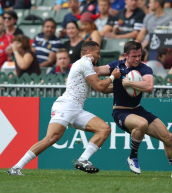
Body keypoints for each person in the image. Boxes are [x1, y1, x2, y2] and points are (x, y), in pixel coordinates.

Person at [7, 40, 121, 176]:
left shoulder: (86, 64)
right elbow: (100, 87)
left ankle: (83, 160)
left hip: (76, 109)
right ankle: (16, 167)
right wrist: (113, 77)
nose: (99, 56)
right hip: (67, 106)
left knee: (104, 129)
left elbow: (102, 88)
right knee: (51, 138)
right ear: (89, 52)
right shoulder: (85, 63)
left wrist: (122, 88)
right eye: (98, 53)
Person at [94, 40, 172, 178]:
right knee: (141, 124)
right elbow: (97, 70)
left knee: (168, 137)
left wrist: (129, 83)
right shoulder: (116, 66)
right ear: (125, 55)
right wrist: (82, 64)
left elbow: (149, 87)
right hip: (120, 111)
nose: (137, 58)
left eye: (139, 55)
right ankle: (133, 157)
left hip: (137, 109)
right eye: (134, 56)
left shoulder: (145, 69)